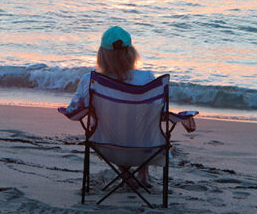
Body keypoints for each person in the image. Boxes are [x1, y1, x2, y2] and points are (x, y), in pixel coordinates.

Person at [66, 26, 195, 188]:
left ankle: (127, 176)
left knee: (109, 123)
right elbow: (161, 115)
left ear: (101, 55)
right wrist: (182, 116)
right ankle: (143, 175)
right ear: (131, 53)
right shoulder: (148, 79)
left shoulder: (91, 80)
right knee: (144, 121)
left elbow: (73, 111)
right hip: (147, 149)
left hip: (106, 146)